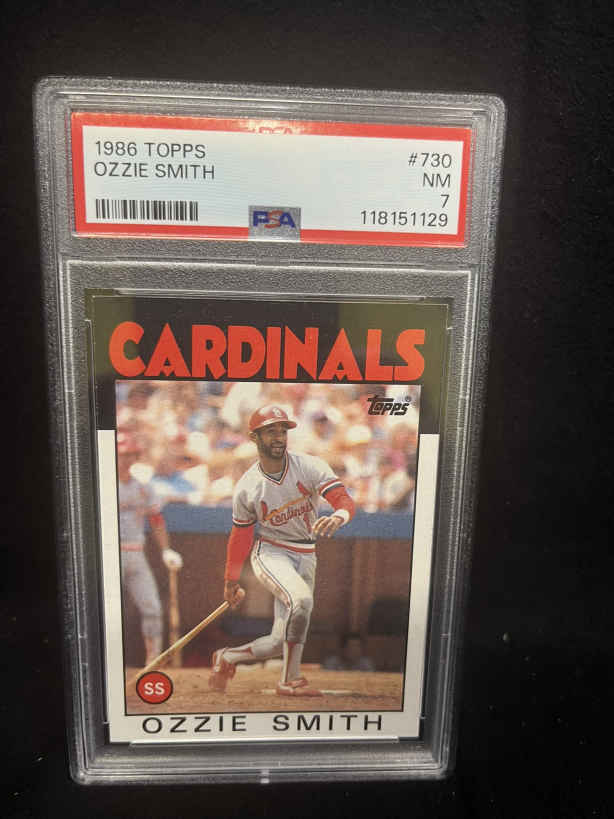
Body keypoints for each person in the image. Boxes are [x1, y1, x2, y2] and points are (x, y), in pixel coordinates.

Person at [209, 405, 355, 697]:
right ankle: (290, 681)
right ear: (254, 437)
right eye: (270, 431)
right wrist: (230, 580)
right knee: (301, 601)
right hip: (271, 552)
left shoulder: (309, 466)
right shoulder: (248, 485)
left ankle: (227, 657)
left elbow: (343, 499)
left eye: (282, 430)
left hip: (307, 553)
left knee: (278, 641)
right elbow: (241, 535)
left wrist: (339, 516)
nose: (278, 437)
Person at [116, 431, 183, 665]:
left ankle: (153, 661)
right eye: (123, 454)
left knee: (152, 609)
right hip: (109, 555)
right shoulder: (101, 485)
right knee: (107, 614)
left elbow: (156, 519)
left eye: (131, 454)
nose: (126, 459)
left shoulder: (143, 487)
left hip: (136, 553)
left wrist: (165, 550)